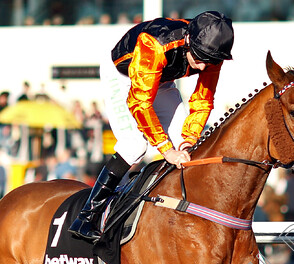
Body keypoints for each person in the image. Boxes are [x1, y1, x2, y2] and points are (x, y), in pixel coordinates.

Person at [69, 11, 235, 242]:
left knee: (189, 148)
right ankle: (86, 217)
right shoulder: (155, 45)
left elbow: (203, 99)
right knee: (135, 146)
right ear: (189, 41)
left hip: (162, 80)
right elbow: (140, 102)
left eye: (211, 61)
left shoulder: (211, 53)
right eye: (200, 57)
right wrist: (166, 150)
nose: (204, 67)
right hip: (124, 76)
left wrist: (188, 139)